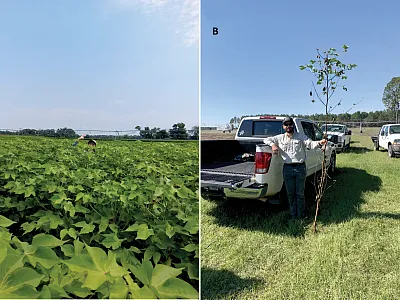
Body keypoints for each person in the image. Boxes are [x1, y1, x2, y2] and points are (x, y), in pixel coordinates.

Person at [263, 117, 327, 219]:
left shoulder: (300, 136)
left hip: (300, 168)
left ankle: (301, 215)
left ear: (293, 125)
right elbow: (266, 139)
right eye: (286, 124)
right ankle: (294, 215)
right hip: (287, 169)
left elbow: (310, 144)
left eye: (290, 124)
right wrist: (273, 145)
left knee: (300, 194)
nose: (288, 126)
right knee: (290, 194)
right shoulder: (280, 138)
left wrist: (320, 142)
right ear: (283, 126)